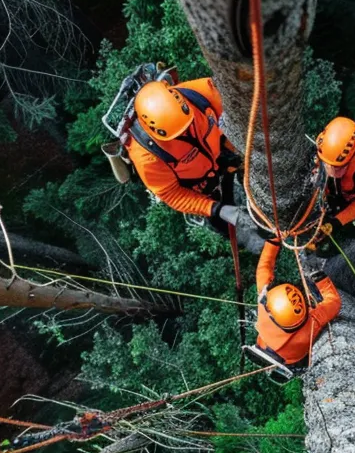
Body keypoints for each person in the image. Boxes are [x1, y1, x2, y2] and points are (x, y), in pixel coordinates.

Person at [125, 77, 255, 240]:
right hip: (202, 190)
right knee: (224, 224)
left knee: (240, 189)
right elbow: (171, 193)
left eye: (187, 126)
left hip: (222, 161)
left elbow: (232, 114)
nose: (185, 133)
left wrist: (230, 150)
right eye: (178, 135)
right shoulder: (147, 157)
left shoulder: (201, 94)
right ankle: (241, 240)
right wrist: (213, 208)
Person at [245, 242, 341, 379]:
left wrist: (273, 242)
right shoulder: (308, 324)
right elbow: (334, 302)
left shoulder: (265, 306)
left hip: (294, 358)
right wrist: (320, 278)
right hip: (293, 358)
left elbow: (263, 269)